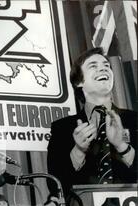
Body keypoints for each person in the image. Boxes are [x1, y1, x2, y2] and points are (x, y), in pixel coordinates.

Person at [47, 47, 137, 197]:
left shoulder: (134, 120)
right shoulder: (62, 128)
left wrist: (122, 146)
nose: (103, 69)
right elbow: (54, 185)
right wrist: (78, 151)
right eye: (93, 66)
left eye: (106, 66)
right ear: (79, 81)